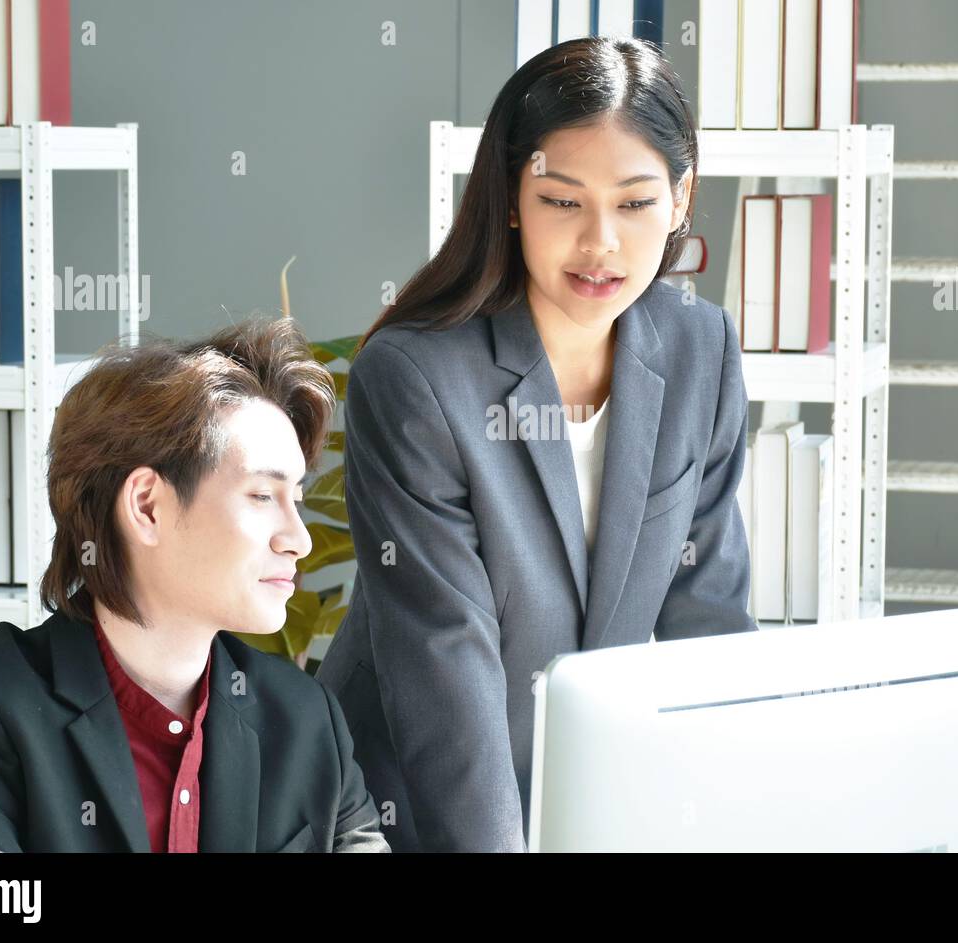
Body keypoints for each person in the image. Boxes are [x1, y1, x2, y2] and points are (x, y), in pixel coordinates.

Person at [317, 36, 758, 853]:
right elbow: (445, 666)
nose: (601, 244)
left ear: (682, 196)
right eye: (564, 201)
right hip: (411, 810)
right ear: (514, 196)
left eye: (635, 203)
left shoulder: (701, 350)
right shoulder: (416, 376)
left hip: (587, 803)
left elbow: (712, 622)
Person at [0, 316, 389, 853]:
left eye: (298, 498)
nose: (299, 539)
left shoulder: (306, 721)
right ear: (147, 505)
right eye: (263, 496)